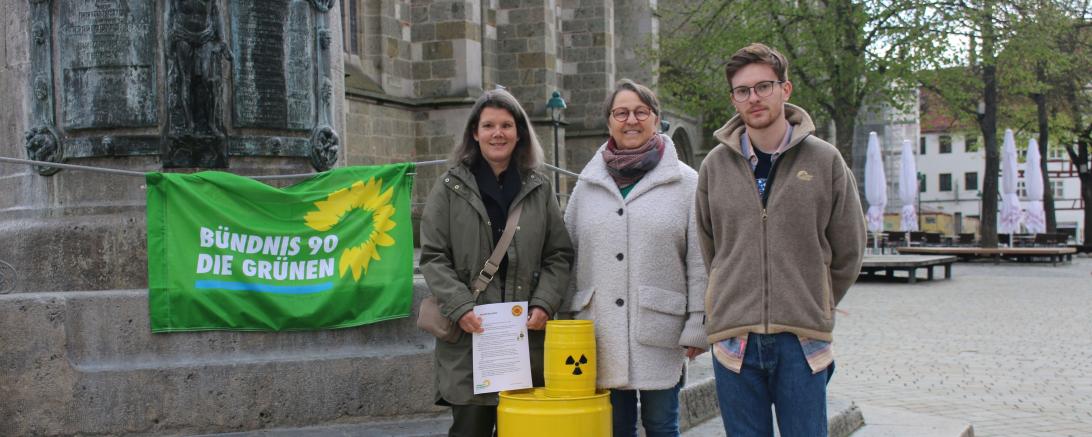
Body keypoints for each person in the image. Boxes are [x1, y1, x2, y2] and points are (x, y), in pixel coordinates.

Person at [695, 43, 866, 436]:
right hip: (735, 338)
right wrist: (729, 293)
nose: (753, 98)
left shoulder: (825, 161)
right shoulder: (714, 167)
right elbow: (710, 247)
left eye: (763, 86)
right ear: (734, 99)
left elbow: (849, 248)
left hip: (802, 339)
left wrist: (816, 299)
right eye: (743, 90)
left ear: (785, 90)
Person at [419, 89, 574, 437]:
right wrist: (459, 305)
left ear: (519, 132)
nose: (497, 133)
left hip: (524, 340)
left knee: (523, 429)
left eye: (506, 125)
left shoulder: (539, 188)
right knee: (470, 430)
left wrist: (545, 302)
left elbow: (558, 254)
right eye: (488, 125)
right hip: (471, 335)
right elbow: (433, 256)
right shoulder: (448, 188)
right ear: (475, 132)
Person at [563, 79, 707, 437]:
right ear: (610, 122)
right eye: (621, 112)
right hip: (599, 329)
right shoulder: (588, 181)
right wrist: (564, 314)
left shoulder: (686, 182)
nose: (631, 120)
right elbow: (568, 250)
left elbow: (700, 260)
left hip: (661, 329)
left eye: (641, 112)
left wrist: (699, 322)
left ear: (656, 119)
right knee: (613, 428)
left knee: (661, 425)